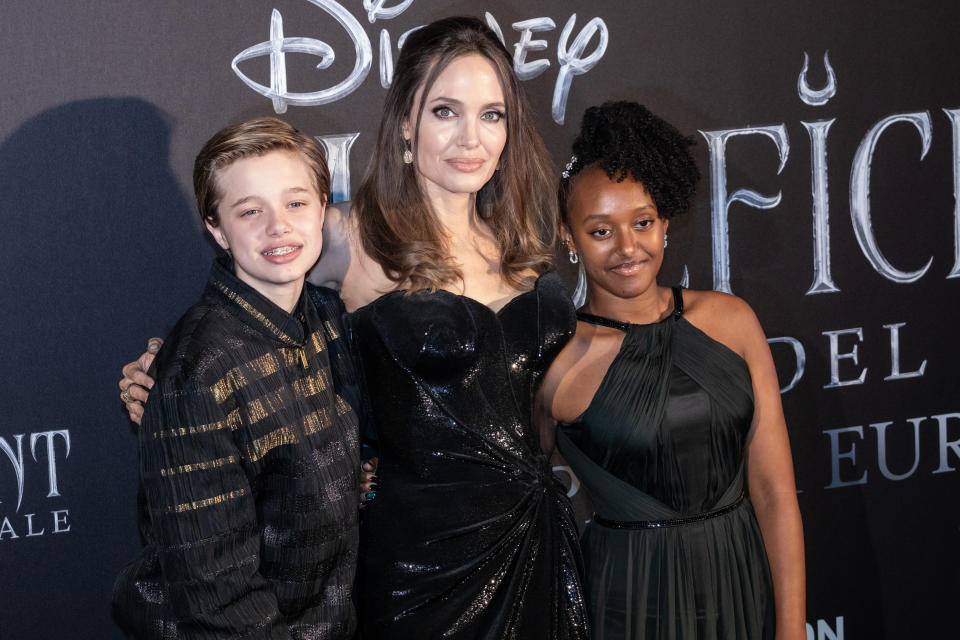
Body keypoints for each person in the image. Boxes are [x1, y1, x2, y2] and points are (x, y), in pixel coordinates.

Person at [118, 16, 589, 640]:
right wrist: (161, 374)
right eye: (445, 111)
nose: (470, 137)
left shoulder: (519, 239)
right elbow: (248, 306)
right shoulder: (349, 235)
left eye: (492, 114)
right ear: (405, 126)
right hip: (418, 563)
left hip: (532, 533)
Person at [537, 101, 806, 639]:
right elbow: (512, 499)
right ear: (569, 238)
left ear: (663, 222)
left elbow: (775, 492)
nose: (627, 248)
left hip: (743, 584)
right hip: (627, 601)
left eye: (641, 222)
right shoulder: (555, 361)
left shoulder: (731, 321)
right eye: (600, 231)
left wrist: (792, 630)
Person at [113, 118, 362, 639]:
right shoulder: (196, 373)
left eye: (295, 203)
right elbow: (219, 607)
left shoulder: (326, 316)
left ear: (323, 205)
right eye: (250, 211)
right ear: (217, 229)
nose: (278, 226)